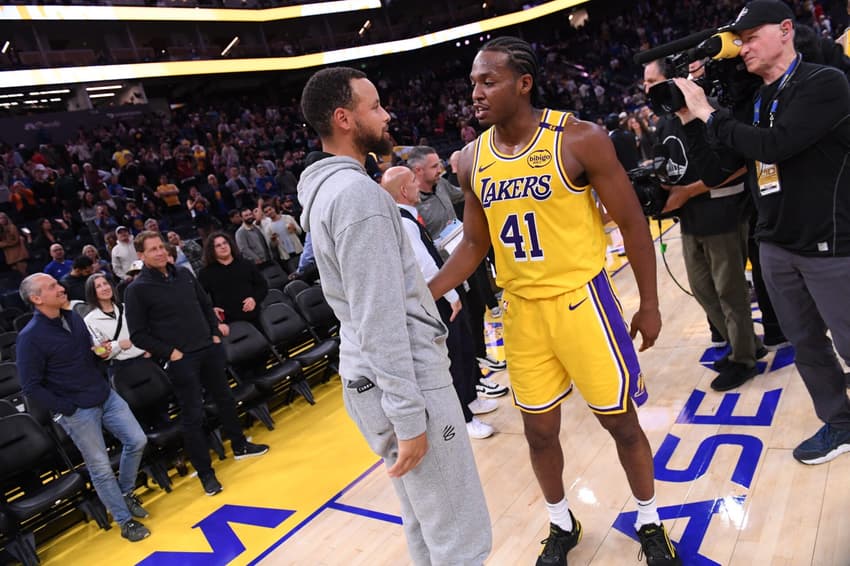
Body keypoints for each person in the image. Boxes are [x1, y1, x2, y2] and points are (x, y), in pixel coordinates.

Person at [428, 37, 679, 565]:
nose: (475, 92)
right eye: (473, 82)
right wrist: (424, 292)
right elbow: (475, 245)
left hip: (582, 302)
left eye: (487, 81)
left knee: (621, 423)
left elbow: (633, 222)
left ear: (524, 83)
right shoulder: (470, 159)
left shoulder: (579, 138)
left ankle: (650, 520)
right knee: (539, 434)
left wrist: (649, 303)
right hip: (521, 313)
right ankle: (562, 523)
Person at [298, 66, 491, 565]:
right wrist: (409, 417)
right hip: (407, 383)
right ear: (344, 118)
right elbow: (380, 314)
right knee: (459, 536)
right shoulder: (359, 196)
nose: (387, 115)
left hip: (371, 377)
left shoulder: (325, 191)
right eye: (375, 106)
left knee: (427, 526)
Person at [673, 0, 850, 465]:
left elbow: (778, 144)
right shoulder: (752, 100)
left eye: (752, 36)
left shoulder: (823, 83)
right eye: (740, 38)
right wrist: (693, 116)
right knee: (807, 346)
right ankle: (839, 423)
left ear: (786, 30)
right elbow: (716, 171)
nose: (743, 46)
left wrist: (711, 114)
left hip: (829, 242)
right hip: (774, 244)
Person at [643, 58, 765, 391]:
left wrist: (688, 191)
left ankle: (744, 360)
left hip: (722, 212)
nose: (646, 89)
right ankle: (748, 344)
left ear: (675, 81)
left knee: (730, 290)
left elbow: (740, 166)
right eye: (644, 83)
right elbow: (675, 167)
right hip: (690, 217)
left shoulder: (706, 109)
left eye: (652, 81)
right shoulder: (665, 122)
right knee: (702, 289)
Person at [124, 231, 269, 496]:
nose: (158, 252)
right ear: (141, 256)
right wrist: (170, 353)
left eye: (160, 247)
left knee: (225, 398)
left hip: (208, 348)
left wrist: (214, 334)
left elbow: (205, 304)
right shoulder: (137, 289)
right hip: (181, 359)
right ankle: (206, 473)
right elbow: (138, 334)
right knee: (193, 416)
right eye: (152, 249)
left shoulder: (184, 274)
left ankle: (239, 446)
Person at [16, 273, 150, 542]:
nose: (61, 288)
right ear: (36, 298)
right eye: (52, 286)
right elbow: (31, 386)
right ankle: (125, 521)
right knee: (99, 467)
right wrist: (67, 407)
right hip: (77, 410)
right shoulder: (29, 337)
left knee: (137, 440)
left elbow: (88, 353)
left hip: (104, 394)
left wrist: (98, 357)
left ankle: (125, 492)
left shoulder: (73, 317)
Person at [381, 166, 502, 439]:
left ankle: (472, 398)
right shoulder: (403, 222)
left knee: (466, 347)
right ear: (403, 190)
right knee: (454, 355)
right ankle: (464, 417)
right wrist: (452, 294)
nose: (417, 184)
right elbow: (424, 268)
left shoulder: (409, 217)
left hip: (444, 293)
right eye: (413, 180)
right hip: (440, 298)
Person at [198, 232, 268, 324]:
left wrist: (254, 298)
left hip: (256, 316)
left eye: (225, 243)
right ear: (212, 250)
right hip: (229, 322)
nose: (223, 247)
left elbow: (262, 286)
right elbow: (199, 298)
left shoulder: (246, 264)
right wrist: (212, 309)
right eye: (218, 245)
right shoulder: (205, 273)